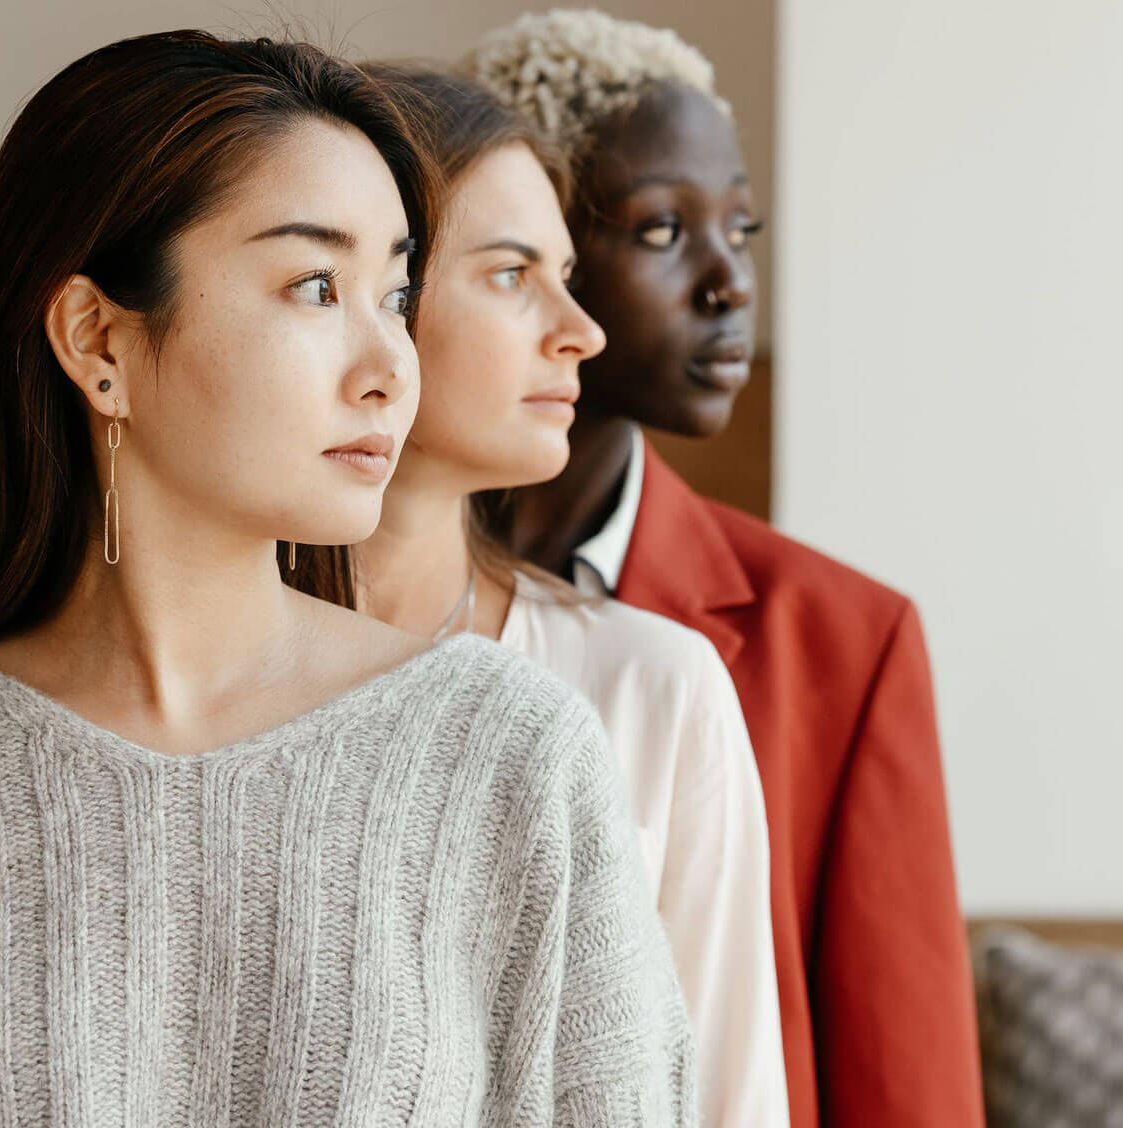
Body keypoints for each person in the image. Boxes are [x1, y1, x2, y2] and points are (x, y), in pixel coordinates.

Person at [0, 31, 695, 1126]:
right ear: (97, 338)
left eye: (394, 293)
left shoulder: (512, 759)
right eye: (313, 284)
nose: (390, 364)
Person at [467, 11, 985, 1128]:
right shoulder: (316, 598)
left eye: (739, 229)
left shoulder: (842, 641)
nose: (730, 283)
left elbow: (907, 1088)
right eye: (661, 231)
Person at [357, 67, 788, 1128]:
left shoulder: (655, 686)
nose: (579, 332)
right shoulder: (177, 682)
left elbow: (729, 1101)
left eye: (565, 271)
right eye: (511, 274)